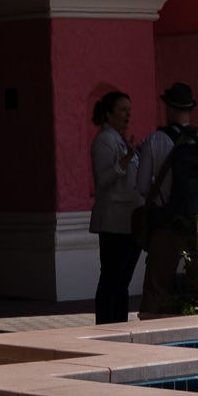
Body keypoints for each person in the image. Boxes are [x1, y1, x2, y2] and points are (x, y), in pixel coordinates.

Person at [135, 82, 198, 321]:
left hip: (167, 222)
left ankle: (151, 331)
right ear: (190, 109)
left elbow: (143, 187)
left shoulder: (155, 140)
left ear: (168, 107)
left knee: (156, 288)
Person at [88, 90, 143, 325]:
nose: (128, 114)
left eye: (129, 110)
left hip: (129, 220)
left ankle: (118, 325)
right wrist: (126, 159)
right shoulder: (104, 141)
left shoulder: (120, 140)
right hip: (113, 221)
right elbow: (103, 180)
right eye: (122, 109)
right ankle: (105, 325)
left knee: (123, 281)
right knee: (112, 278)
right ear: (108, 113)